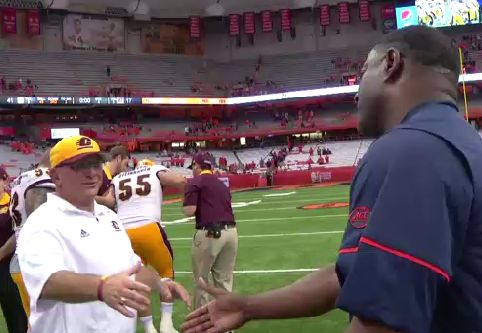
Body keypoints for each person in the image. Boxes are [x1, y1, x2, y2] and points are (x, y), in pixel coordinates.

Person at [181, 26, 482, 333]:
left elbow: (378, 320)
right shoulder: (466, 145)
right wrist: (247, 306)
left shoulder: (410, 150)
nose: (356, 90)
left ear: (391, 63)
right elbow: (357, 273)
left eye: (363, 72)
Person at [16, 135, 190, 333]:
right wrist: (101, 287)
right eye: (79, 166)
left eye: (96, 164)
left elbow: (132, 269)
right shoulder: (43, 221)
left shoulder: (109, 216)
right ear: (56, 176)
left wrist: (161, 284)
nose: (91, 173)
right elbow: (47, 283)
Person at [106, 159, 186, 333]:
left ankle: (149, 327)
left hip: (124, 233)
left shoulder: (118, 177)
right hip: (149, 228)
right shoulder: (154, 170)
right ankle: (166, 324)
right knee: (166, 276)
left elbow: (108, 200)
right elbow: (179, 180)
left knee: (136, 281)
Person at [182, 152, 237, 311]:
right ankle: (227, 324)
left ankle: (204, 324)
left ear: (197, 166)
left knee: (201, 282)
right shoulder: (222, 184)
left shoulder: (195, 182)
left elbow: (189, 210)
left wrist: (185, 196)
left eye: (193, 167)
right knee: (224, 282)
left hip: (210, 233)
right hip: (231, 232)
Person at [9, 150, 55, 319]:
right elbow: (42, 214)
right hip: (39, 260)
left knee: (36, 323)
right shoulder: (43, 176)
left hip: (20, 257)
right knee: (52, 323)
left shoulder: (20, 179)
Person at [0, 167, 28, 333]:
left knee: (15, 315)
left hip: (8, 266)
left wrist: (2, 252)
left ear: (5, 180)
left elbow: (20, 231)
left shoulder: (13, 202)